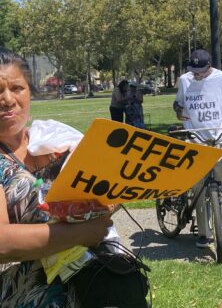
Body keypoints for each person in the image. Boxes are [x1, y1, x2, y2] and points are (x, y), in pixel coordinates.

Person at [0, 48, 148, 307]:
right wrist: (82, 232)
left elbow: (106, 193)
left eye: (17, 88)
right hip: (30, 291)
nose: (8, 99)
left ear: (30, 92)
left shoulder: (55, 138)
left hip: (92, 276)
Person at [173, 49, 222, 250]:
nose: (197, 75)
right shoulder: (184, 80)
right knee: (198, 187)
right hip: (195, 140)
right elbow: (178, 103)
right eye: (194, 71)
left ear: (209, 67)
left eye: (201, 71)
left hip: (221, 138)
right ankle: (203, 233)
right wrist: (179, 112)